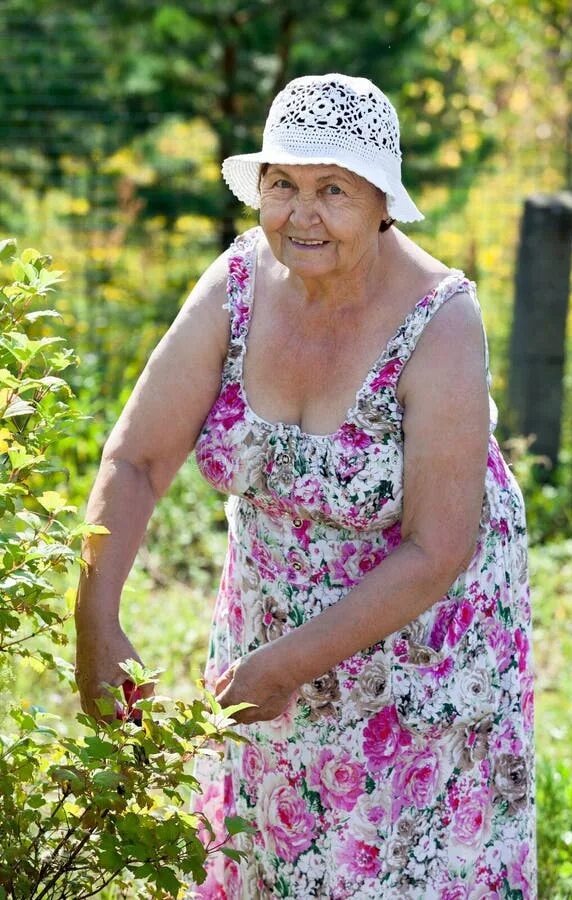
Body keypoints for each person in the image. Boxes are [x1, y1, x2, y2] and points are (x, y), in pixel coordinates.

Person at [75, 73, 536, 899]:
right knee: (270, 864)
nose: (301, 214)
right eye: (282, 185)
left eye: (334, 190)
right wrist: (96, 618)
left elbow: (438, 548)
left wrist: (284, 667)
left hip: (421, 658)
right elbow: (137, 458)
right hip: (267, 632)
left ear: (383, 202)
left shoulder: (440, 319)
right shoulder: (238, 283)